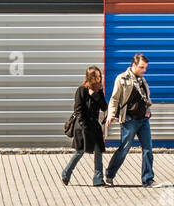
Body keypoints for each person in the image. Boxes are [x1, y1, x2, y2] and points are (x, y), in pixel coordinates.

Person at [104, 53, 155, 186]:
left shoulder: (142, 80)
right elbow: (114, 98)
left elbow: (146, 97)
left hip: (143, 120)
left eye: (145, 68)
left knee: (148, 149)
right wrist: (111, 114)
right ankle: (109, 174)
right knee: (124, 149)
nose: (144, 70)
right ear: (133, 65)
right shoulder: (122, 79)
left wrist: (148, 110)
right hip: (129, 120)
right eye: (141, 67)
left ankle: (148, 179)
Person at [61, 66, 109, 186]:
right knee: (80, 152)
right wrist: (84, 126)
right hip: (83, 127)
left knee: (98, 151)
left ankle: (98, 179)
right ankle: (65, 173)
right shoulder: (81, 90)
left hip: (95, 126)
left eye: (99, 76)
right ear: (90, 77)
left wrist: (95, 95)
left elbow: (104, 107)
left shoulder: (99, 90)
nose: (98, 78)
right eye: (96, 76)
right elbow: (78, 110)